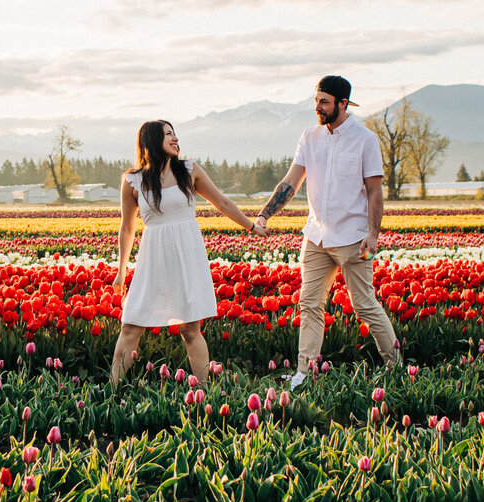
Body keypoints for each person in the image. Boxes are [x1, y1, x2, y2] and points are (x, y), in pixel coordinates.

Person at [253, 75, 398, 389]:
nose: (317, 107)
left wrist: (374, 236)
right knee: (309, 304)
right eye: (316, 100)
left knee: (365, 305)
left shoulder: (365, 139)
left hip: (356, 238)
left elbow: (375, 192)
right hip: (316, 236)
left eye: (324, 102)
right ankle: (303, 374)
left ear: (343, 104)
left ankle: (395, 367)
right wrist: (265, 214)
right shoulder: (309, 137)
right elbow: (290, 183)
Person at [111, 120, 266, 387]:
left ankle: (205, 391)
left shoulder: (189, 170)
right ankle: (111, 393)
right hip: (153, 259)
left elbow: (222, 202)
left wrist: (252, 226)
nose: (175, 138)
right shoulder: (133, 181)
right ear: (150, 141)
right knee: (130, 325)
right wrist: (121, 271)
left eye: (175, 134)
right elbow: (127, 228)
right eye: (168, 134)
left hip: (187, 255)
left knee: (190, 329)